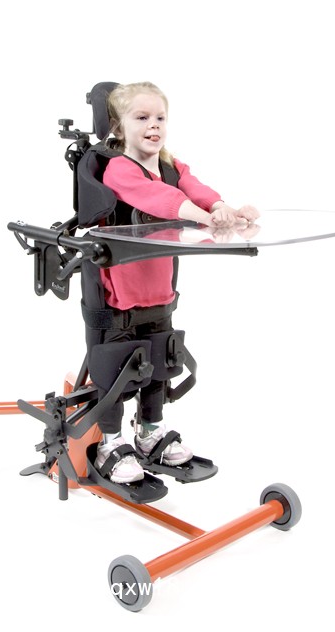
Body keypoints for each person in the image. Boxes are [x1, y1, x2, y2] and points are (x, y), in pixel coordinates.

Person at [93, 81, 260, 484]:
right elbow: (157, 198)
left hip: (159, 289)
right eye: (142, 117)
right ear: (118, 126)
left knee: (159, 362)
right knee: (119, 367)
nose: (153, 125)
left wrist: (225, 209)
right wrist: (204, 218)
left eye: (160, 117)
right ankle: (109, 444)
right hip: (120, 292)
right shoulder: (119, 169)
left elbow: (194, 189)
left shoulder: (170, 166)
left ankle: (150, 432)